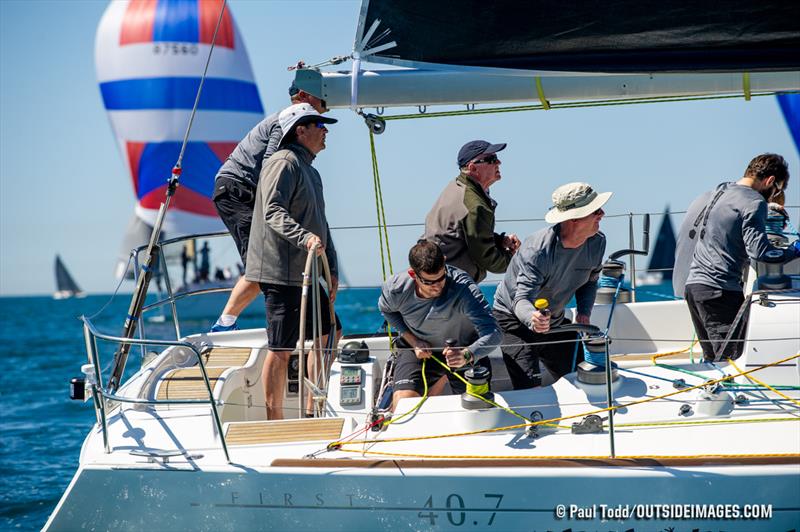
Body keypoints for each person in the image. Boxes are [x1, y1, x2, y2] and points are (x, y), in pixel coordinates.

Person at [245, 102, 340, 420]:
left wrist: (334, 268)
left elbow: (322, 224)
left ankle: (314, 410)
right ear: (301, 131)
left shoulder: (310, 171)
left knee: (329, 335)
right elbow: (273, 210)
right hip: (283, 272)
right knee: (281, 346)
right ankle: (275, 419)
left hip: (310, 272)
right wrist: (305, 238)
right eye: (320, 126)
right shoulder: (283, 162)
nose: (326, 131)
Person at [210, 83, 329, 332]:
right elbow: (271, 166)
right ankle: (225, 324)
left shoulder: (291, 125)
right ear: (304, 98)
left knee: (266, 262)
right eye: (322, 104)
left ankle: (273, 324)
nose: (323, 113)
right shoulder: (282, 122)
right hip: (237, 189)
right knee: (261, 265)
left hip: (249, 191)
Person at [493, 182, 610, 389]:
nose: (602, 213)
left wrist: (583, 312)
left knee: (586, 375)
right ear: (574, 218)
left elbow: (590, 281)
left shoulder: (597, 241)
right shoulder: (537, 250)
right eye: (595, 211)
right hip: (513, 321)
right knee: (529, 389)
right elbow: (521, 300)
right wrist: (534, 319)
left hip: (553, 320)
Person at [683, 153, 798, 362]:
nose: (772, 197)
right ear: (770, 181)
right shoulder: (754, 202)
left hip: (694, 288)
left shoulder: (721, 190)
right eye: (776, 191)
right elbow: (762, 253)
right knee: (730, 361)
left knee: (714, 362)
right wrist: (795, 249)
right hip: (719, 292)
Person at [379, 241, 501, 411]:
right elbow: (387, 311)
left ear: (444, 261)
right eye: (429, 282)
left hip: (462, 350)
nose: (437, 286)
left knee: (475, 409)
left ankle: (442, 378)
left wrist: (468, 354)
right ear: (413, 274)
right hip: (419, 350)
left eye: (441, 278)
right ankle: (439, 379)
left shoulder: (464, 288)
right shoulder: (396, 288)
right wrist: (413, 341)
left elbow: (494, 333)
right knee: (403, 406)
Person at [422, 140, 521, 282]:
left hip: (437, 279)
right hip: (452, 286)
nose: (498, 162)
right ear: (473, 168)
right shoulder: (475, 205)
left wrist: (500, 241)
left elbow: (464, 233)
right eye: (491, 159)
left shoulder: (458, 186)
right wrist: (514, 258)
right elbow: (487, 258)